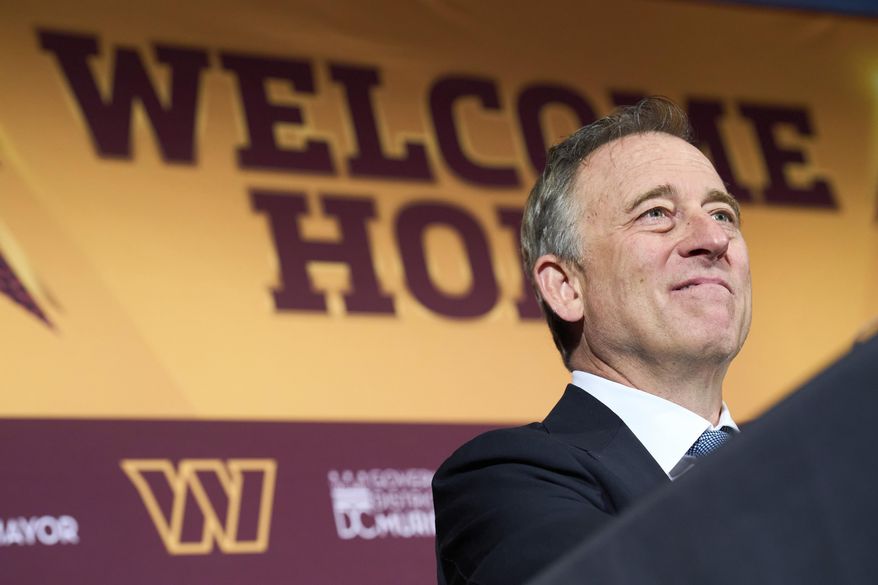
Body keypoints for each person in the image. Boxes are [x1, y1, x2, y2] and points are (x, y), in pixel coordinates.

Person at [432, 96, 753, 585]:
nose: (712, 239)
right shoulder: (504, 481)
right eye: (656, 213)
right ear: (566, 287)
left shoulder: (816, 469)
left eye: (722, 214)